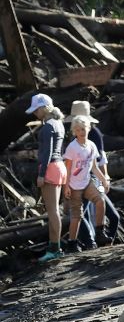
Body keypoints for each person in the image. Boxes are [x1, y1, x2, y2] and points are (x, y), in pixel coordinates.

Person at [67, 101, 120, 249]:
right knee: (82, 214)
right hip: (79, 180)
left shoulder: (94, 134)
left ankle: (103, 242)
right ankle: (91, 245)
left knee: (111, 215)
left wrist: (105, 177)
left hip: (92, 179)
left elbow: (100, 159)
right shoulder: (73, 140)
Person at [27, 93, 67, 262]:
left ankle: (55, 249)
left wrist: (41, 175)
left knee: (53, 212)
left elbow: (47, 152)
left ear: (44, 108)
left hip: (50, 167)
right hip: (60, 166)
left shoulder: (47, 127)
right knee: (54, 210)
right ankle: (54, 246)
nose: (35, 113)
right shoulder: (59, 124)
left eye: (36, 109)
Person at [62, 115, 111, 250]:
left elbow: (94, 167)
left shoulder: (91, 145)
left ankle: (100, 230)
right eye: (78, 130)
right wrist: (66, 187)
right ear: (74, 132)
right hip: (74, 185)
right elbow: (67, 169)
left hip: (87, 181)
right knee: (77, 216)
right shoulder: (72, 147)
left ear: (88, 129)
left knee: (100, 200)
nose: (81, 132)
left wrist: (104, 180)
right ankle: (72, 242)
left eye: (83, 129)